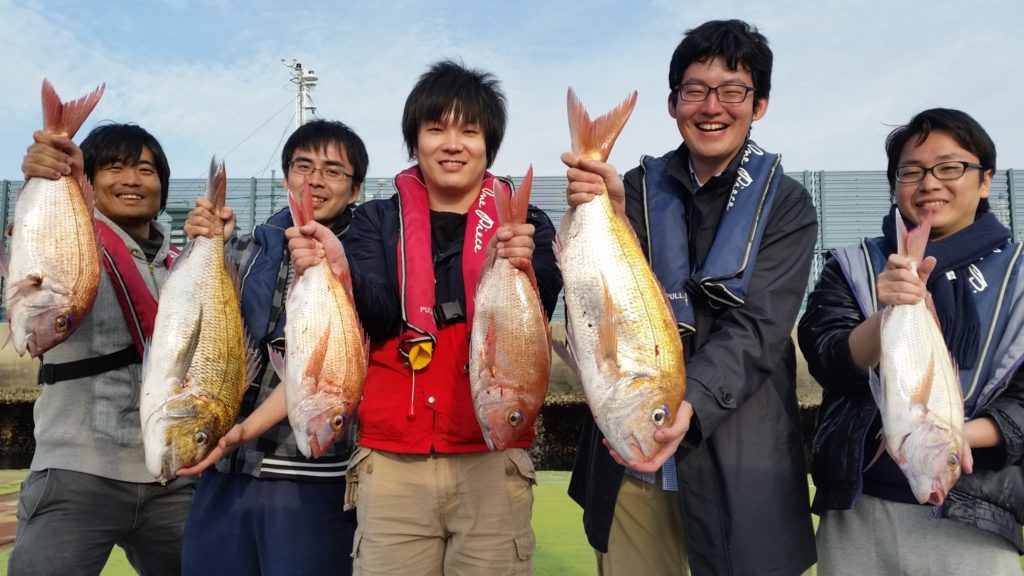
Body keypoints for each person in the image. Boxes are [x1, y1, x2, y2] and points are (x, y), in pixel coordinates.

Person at [563, 19, 818, 576]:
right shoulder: (633, 189)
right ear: (673, 103)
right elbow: (597, 299)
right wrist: (609, 214)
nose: (712, 107)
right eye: (695, 90)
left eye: (733, 91)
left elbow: (759, 327)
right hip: (632, 456)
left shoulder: (787, 205)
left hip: (742, 462)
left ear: (760, 104)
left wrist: (692, 400)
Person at [287, 59, 562, 575]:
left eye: (469, 131)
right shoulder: (375, 220)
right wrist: (340, 268)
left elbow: (541, 304)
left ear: (489, 145)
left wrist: (524, 265)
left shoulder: (526, 222)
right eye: (436, 129)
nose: (452, 145)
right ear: (414, 142)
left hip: (492, 458)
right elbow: (379, 315)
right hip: (392, 463)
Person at [798, 108, 1024, 574]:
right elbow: (826, 356)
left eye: (949, 167)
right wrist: (889, 314)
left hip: (976, 521)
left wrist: (951, 439)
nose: (929, 183)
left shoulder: (1018, 273)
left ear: (985, 180)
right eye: (912, 171)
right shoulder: (855, 265)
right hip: (859, 511)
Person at [176, 119, 369, 576]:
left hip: (315, 477)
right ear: (286, 177)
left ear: (355, 190)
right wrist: (200, 245)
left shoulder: (368, 262)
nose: (315, 180)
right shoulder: (244, 249)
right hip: (224, 467)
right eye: (303, 166)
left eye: (333, 171)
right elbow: (188, 322)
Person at [8, 124, 193, 575]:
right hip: (76, 471)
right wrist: (42, 172)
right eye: (114, 167)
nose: (132, 180)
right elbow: (29, 246)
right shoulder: (71, 242)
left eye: (146, 170)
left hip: (172, 480)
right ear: (87, 180)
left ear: (162, 186)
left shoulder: (184, 267)